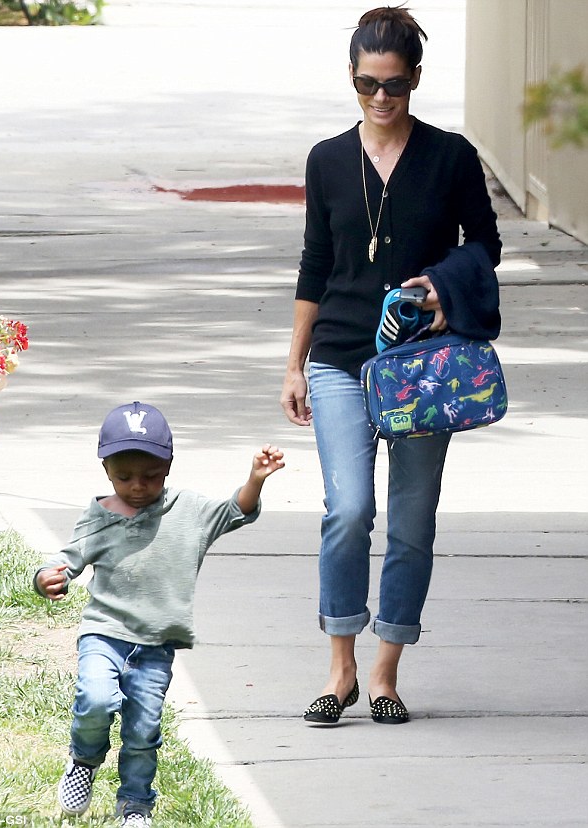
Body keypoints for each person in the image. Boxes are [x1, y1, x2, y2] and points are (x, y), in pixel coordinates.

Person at [280, 6, 501, 726]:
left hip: (422, 367)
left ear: (416, 79)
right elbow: (315, 263)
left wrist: (442, 287)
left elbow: (486, 243)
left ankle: (384, 672)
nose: (381, 97)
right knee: (348, 510)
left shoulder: (451, 156)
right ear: (351, 77)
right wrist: (293, 364)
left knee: (411, 521)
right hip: (340, 358)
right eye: (367, 83)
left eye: (396, 84)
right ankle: (339, 668)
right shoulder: (326, 160)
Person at [34, 401, 284, 824]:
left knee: (142, 730)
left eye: (150, 476)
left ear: (168, 466)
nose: (137, 486)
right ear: (106, 471)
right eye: (124, 477)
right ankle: (84, 760)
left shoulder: (188, 511)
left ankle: (135, 802)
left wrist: (255, 479)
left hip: (155, 645)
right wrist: (47, 577)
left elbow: (235, 511)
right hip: (104, 633)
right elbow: (66, 558)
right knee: (95, 699)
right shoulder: (99, 515)